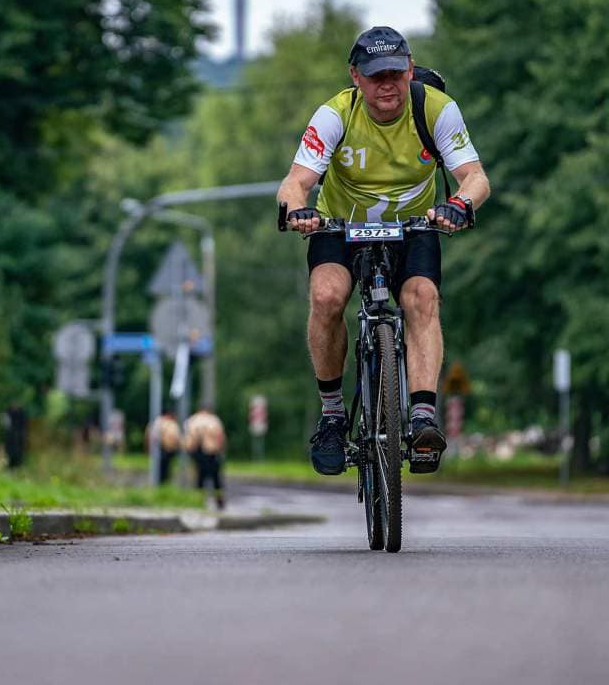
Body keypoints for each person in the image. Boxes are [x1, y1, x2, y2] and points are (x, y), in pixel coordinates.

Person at [276, 26, 490, 476]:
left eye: (395, 72)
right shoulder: (335, 115)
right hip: (340, 223)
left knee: (421, 299)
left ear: (410, 69)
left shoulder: (435, 109)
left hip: (415, 225)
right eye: (376, 76)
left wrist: (457, 204)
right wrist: (298, 210)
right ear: (356, 76)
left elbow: (476, 177)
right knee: (326, 297)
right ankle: (333, 415)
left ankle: (423, 417)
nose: (387, 84)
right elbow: (295, 182)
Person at [183, 407, 226, 509]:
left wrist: (190, 452)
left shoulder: (192, 420)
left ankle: (199, 501)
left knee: (200, 478)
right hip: (212, 452)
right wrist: (221, 450)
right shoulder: (213, 420)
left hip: (197, 452)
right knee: (216, 478)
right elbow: (220, 436)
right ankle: (219, 501)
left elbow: (188, 438)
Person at [145, 409, 181, 484]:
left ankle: (160, 483)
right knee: (164, 469)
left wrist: (148, 448)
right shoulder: (170, 423)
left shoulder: (156, 422)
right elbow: (175, 438)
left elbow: (149, 437)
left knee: (160, 468)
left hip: (161, 449)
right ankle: (163, 484)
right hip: (166, 449)